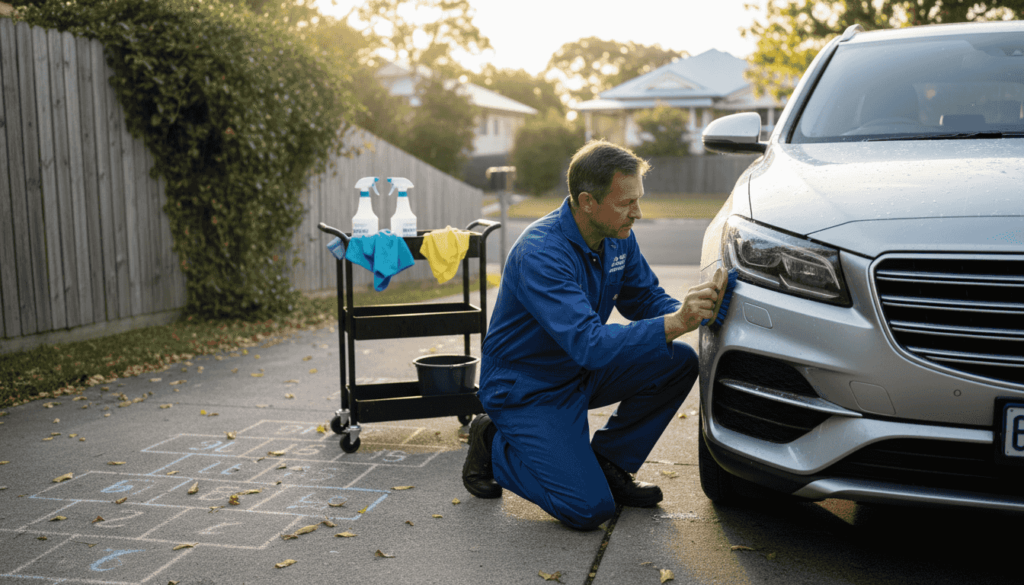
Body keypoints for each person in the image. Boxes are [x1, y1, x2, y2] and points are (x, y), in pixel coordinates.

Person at [462, 139, 721, 531]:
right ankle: (494, 442)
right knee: (588, 509)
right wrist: (677, 323)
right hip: (528, 389)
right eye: (626, 203)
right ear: (587, 202)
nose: (637, 212)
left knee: (677, 362)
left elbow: (645, 297)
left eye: (638, 199)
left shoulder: (616, 234)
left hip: (577, 372)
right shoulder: (542, 252)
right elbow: (589, 345)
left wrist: (694, 311)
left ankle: (610, 463)